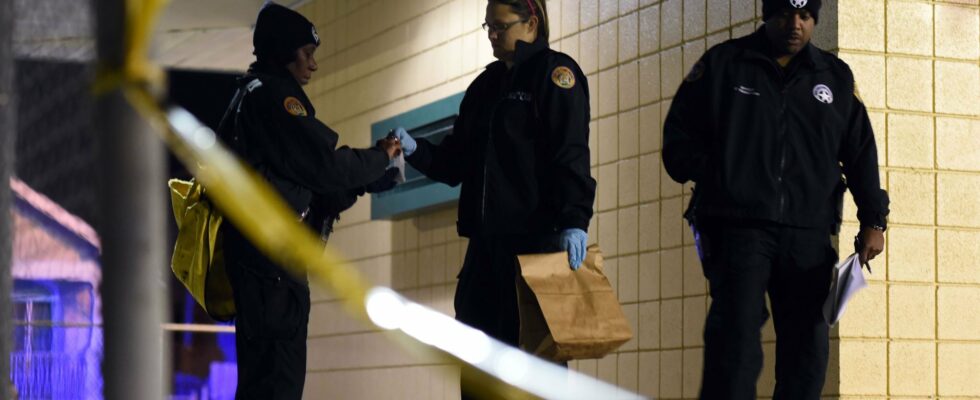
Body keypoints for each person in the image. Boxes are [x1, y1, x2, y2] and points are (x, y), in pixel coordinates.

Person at [662, 0, 889, 398]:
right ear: (768, 13)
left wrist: (874, 219)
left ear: (815, 18)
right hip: (739, 229)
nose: (795, 25)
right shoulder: (725, 64)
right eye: (785, 14)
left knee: (807, 353)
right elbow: (678, 141)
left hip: (808, 232)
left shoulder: (834, 78)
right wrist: (723, 176)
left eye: (804, 16)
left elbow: (859, 153)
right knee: (734, 345)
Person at [393, 0, 595, 396]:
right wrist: (418, 150)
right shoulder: (485, 86)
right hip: (486, 251)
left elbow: (569, 152)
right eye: (487, 27)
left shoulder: (555, 75)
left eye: (500, 27)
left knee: (535, 369)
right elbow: (456, 163)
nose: (492, 35)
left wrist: (574, 219)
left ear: (531, 22)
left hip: (535, 245)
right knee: (478, 367)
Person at [215, 3, 401, 399]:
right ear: (284, 52)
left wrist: (365, 182)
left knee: (261, 381)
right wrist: (380, 156)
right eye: (307, 53)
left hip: (257, 267)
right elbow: (323, 167)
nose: (313, 65)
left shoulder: (245, 96)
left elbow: (300, 182)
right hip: (273, 271)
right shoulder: (275, 98)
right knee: (277, 383)